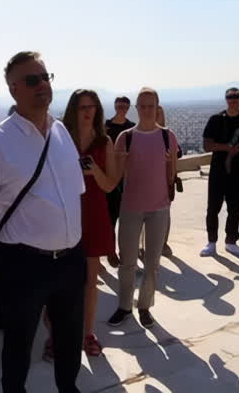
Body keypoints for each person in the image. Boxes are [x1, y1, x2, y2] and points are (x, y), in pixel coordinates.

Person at [0, 51, 85, 393]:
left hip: (71, 260)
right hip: (23, 263)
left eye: (46, 77)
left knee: (70, 343)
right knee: (18, 348)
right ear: (14, 90)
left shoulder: (61, 132)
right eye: (32, 80)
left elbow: (75, 194)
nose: (42, 85)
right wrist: (1, 254)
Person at [107, 87, 177, 329]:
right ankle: (125, 305)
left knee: (152, 263)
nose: (147, 110)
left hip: (158, 208)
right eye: (143, 106)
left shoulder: (168, 136)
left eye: (151, 106)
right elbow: (115, 176)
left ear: (157, 108)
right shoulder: (125, 137)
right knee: (127, 262)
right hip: (130, 207)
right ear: (137, 108)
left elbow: (172, 174)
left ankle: (145, 305)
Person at [61, 89, 119, 356]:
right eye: (82, 107)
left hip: (94, 214)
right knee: (60, 282)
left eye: (91, 107)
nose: (87, 112)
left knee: (89, 281)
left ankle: (87, 333)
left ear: (97, 110)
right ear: (73, 109)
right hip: (64, 213)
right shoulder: (60, 139)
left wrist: (94, 169)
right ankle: (57, 336)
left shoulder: (105, 142)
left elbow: (109, 185)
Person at [200, 87, 239, 256]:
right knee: (213, 207)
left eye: (236, 97)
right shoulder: (216, 119)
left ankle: (231, 240)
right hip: (218, 170)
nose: (233, 99)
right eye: (230, 97)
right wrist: (227, 147)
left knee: (235, 206)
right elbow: (207, 145)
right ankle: (211, 242)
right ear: (226, 99)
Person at [103, 96, 133, 266]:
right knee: (111, 217)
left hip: (127, 178)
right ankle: (110, 251)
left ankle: (126, 250)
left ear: (128, 107)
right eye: (119, 104)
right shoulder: (106, 127)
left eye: (124, 105)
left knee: (128, 218)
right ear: (115, 106)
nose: (121, 107)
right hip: (110, 178)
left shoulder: (131, 128)